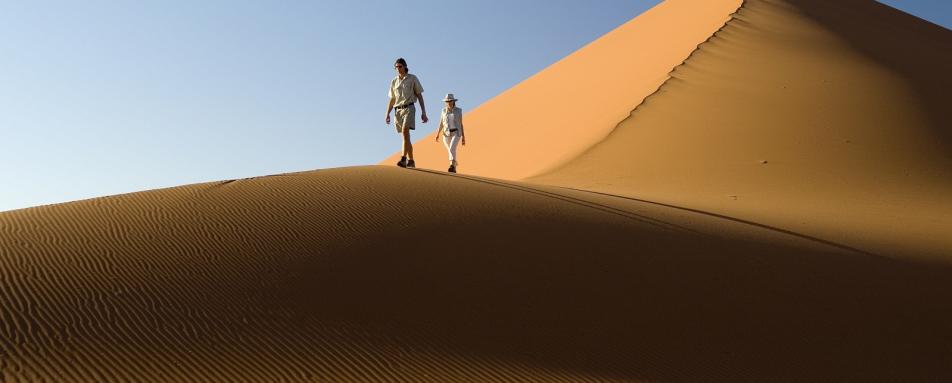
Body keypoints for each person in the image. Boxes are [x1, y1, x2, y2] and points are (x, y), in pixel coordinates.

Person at [385, 57, 427, 168]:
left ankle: (403, 159)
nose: (398, 69)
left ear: (405, 66)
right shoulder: (394, 81)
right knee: (406, 137)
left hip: (409, 107)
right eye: (396, 67)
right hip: (397, 110)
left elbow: (419, 95)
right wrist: (387, 113)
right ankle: (411, 160)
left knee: (405, 131)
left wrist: (423, 112)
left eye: (400, 66)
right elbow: (392, 99)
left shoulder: (412, 78)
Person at [434, 93, 466, 173]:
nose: (448, 102)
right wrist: (437, 134)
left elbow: (461, 123)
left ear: (453, 101)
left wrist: (463, 137)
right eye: (447, 101)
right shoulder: (443, 111)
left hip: (456, 132)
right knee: (450, 150)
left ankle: (452, 165)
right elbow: (441, 123)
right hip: (446, 134)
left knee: (452, 148)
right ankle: (454, 164)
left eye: (450, 101)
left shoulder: (459, 110)